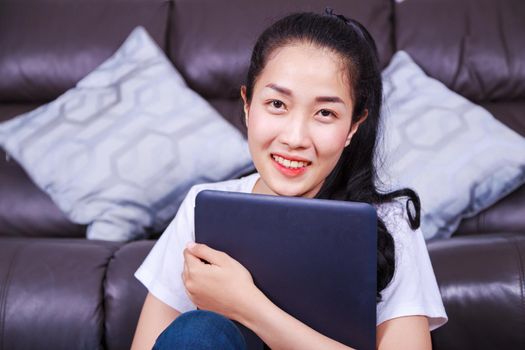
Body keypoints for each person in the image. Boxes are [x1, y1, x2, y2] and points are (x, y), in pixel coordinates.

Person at [131, 10, 447, 350]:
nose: (296, 137)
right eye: (277, 104)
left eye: (325, 113)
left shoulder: (390, 224)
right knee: (199, 331)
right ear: (248, 105)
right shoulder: (201, 206)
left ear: (354, 126)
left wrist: (250, 307)